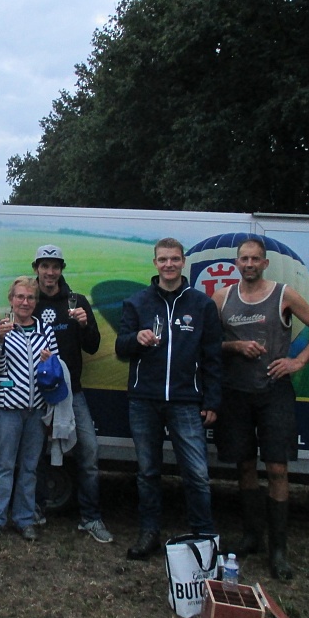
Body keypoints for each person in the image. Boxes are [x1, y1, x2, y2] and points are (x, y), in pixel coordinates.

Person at [212, 236, 309, 580]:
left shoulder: (283, 295)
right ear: (236, 263)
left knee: (277, 469)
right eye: (243, 259)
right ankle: (252, 537)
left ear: (265, 264)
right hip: (235, 393)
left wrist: (298, 362)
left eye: (255, 259)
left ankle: (278, 551)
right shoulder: (222, 298)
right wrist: (235, 346)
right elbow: (208, 342)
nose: (249, 264)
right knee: (245, 465)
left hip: (274, 393)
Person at [115, 237, 222, 561]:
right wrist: (137, 338)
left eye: (174, 259)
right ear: (155, 263)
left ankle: (204, 539)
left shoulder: (202, 305)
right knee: (148, 472)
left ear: (183, 261)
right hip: (144, 400)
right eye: (163, 259)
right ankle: (149, 533)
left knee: (197, 473)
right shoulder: (137, 302)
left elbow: (213, 357)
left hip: (186, 401)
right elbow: (121, 347)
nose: (169, 265)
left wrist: (212, 400)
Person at [31, 244, 111, 544]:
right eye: (44, 266)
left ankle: (91, 518)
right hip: (36, 393)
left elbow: (92, 345)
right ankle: (34, 510)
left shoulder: (76, 301)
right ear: (36, 268)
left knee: (89, 452)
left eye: (55, 266)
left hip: (71, 392)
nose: (50, 272)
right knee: (34, 454)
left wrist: (85, 324)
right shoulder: (29, 299)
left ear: (61, 269)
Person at [0, 277, 58, 540]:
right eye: (20, 297)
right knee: (4, 464)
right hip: (7, 409)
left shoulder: (46, 330)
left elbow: (55, 369)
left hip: (37, 409)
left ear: (35, 302)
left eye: (30, 298)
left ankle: (24, 519)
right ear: (11, 300)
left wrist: (49, 362)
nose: (25, 302)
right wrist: (1, 341)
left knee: (29, 467)